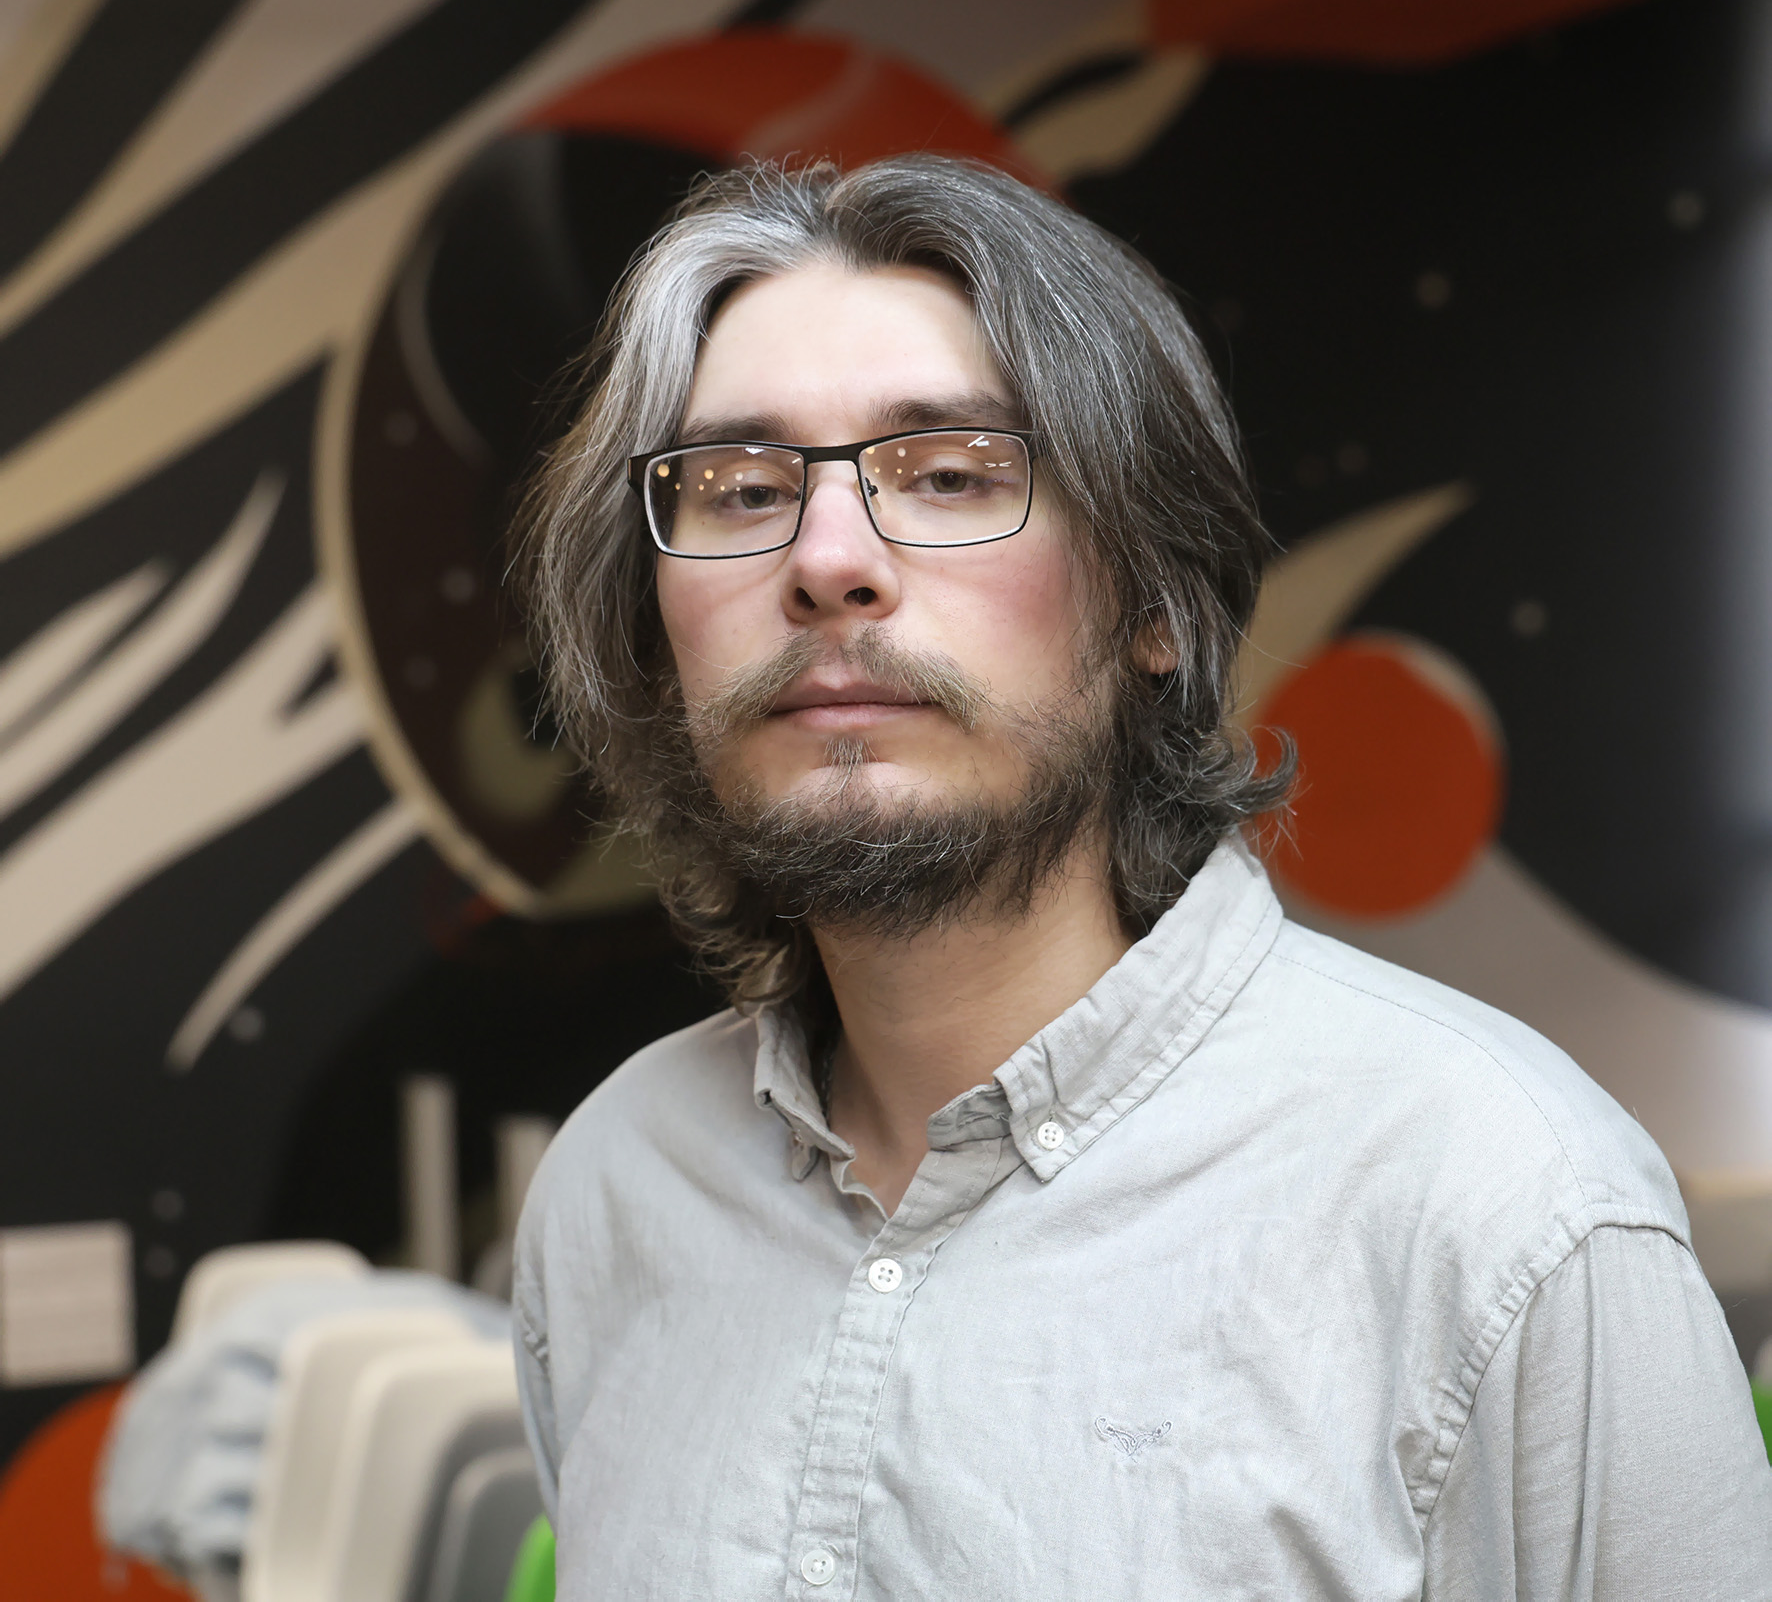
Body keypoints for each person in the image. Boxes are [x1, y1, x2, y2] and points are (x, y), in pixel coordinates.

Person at [512, 155, 1772, 1599]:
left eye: (949, 474)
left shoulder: (1503, 1210)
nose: (828, 560)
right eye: (741, 490)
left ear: (1154, 608)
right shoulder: (614, 1192)